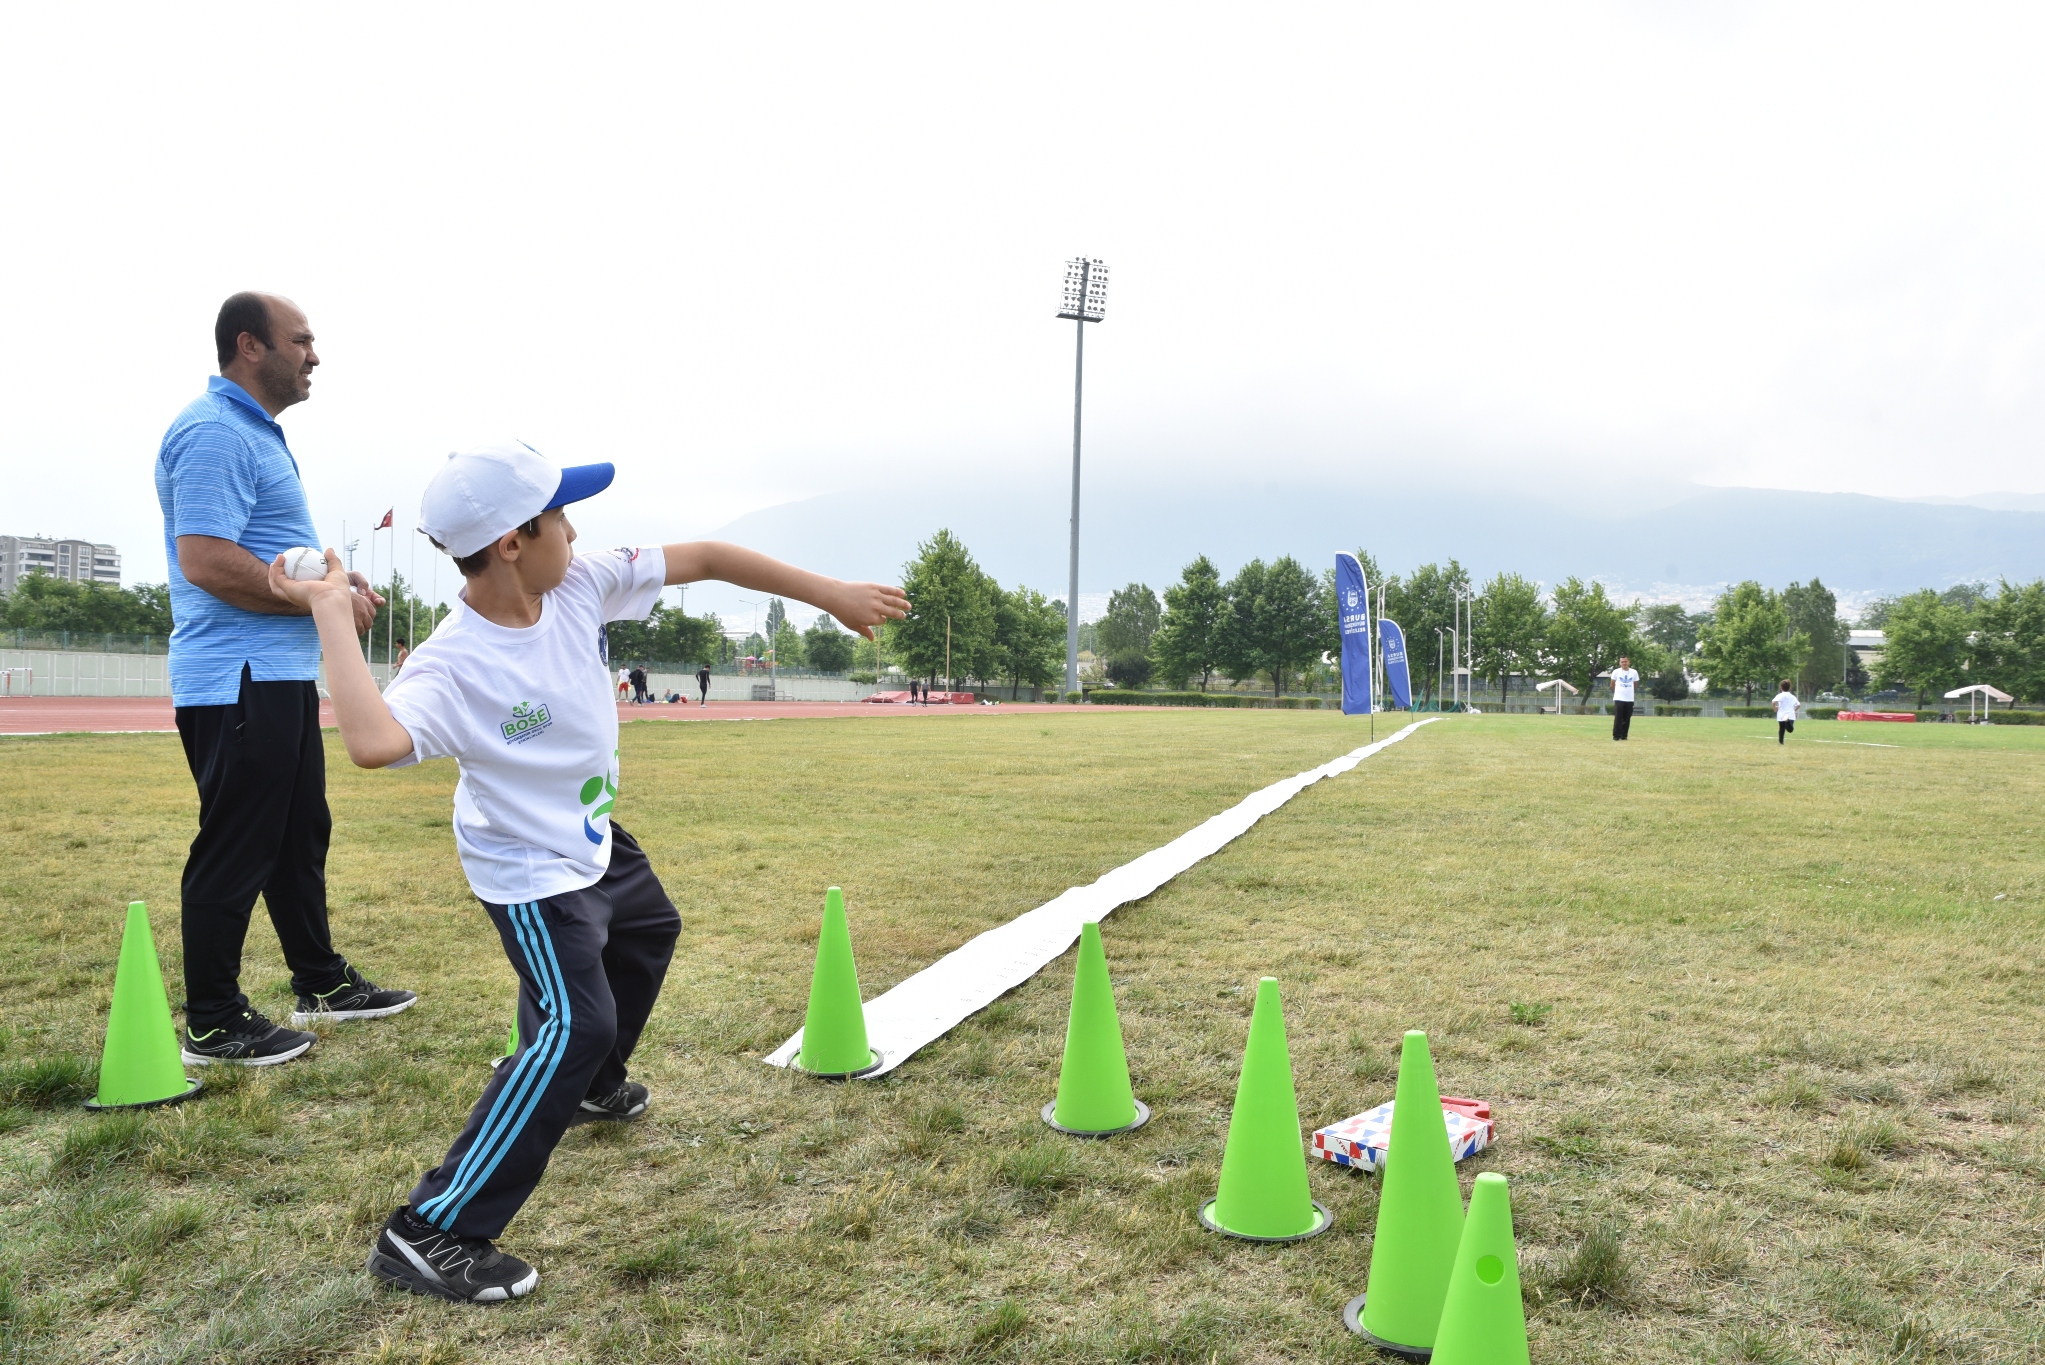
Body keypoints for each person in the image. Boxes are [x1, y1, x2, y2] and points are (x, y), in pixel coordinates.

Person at [268, 440, 907, 1303]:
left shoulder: (577, 582)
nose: (574, 530)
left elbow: (707, 557)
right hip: (529, 868)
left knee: (648, 933)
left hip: (593, 835)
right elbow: (374, 742)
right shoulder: (454, 662)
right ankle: (430, 1229)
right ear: (511, 543)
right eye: (560, 516)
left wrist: (829, 593)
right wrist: (329, 614)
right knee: (574, 1023)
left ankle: (589, 1086)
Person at [155, 292, 416, 1067]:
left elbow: (268, 556)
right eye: (300, 340)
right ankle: (212, 1022)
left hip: (277, 672)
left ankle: (320, 981)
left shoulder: (253, 431)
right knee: (238, 841)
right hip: (237, 676)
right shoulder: (213, 431)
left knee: (299, 833)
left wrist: (335, 587)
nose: (314, 355)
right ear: (250, 346)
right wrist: (315, 599)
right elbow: (205, 559)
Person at [1610, 655, 1640, 741]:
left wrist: (1629, 690)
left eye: (1625, 661)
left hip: (1629, 698)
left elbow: (1635, 684)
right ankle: (1616, 735)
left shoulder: (1634, 672)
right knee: (1618, 717)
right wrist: (1618, 691)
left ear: (1629, 662)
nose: (1624, 663)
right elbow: (1612, 684)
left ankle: (1624, 735)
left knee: (1627, 717)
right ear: (1620, 663)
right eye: (1622, 662)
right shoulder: (1616, 672)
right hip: (1619, 698)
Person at [1772, 679, 1801, 744]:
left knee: (1781, 728)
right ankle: (1787, 721)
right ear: (1789, 688)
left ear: (1781, 688)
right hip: (1790, 715)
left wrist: (1775, 708)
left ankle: (1781, 742)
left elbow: (1773, 702)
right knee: (1790, 730)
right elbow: (1798, 705)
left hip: (1781, 714)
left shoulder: (1780, 695)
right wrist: (1793, 710)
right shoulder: (1792, 696)